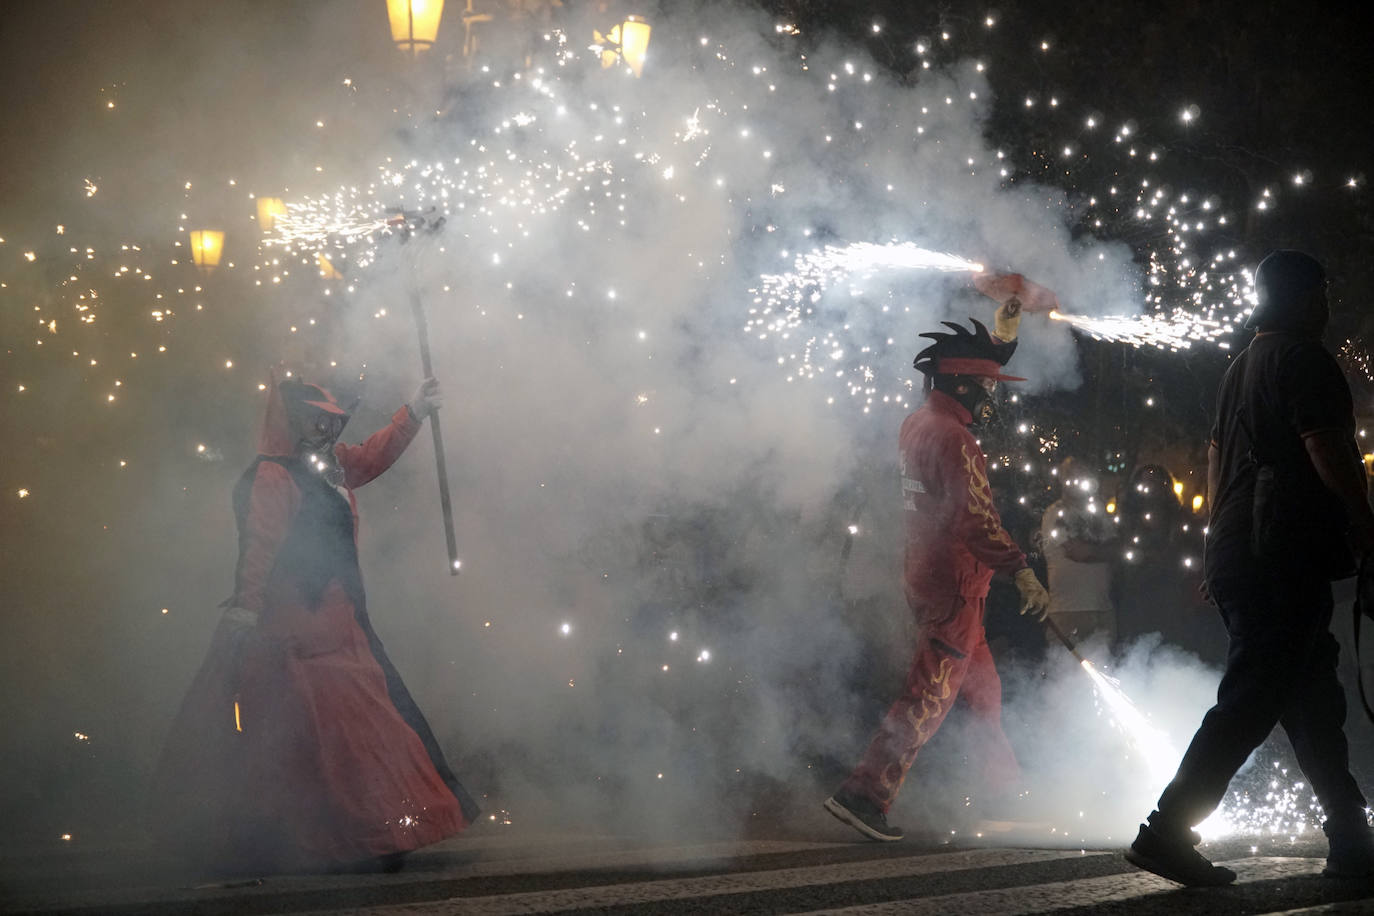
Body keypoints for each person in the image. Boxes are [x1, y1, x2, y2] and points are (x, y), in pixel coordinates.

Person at [150, 373, 479, 874]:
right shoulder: (272, 476)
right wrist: (247, 608)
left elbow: (373, 455)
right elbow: (259, 548)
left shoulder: (331, 466)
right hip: (292, 626)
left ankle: (374, 833)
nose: (325, 428)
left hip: (342, 621)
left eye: (330, 420)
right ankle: (331, 838)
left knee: (367, 727)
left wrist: (412, 413)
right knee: (318, 731)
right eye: (314, 419)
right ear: (291, 422)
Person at [1126, 250, 1374, 886]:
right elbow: (1327, 448)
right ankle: (1166, 832)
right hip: (1281, 552)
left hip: (1246, 550)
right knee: (1252, 698)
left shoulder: (1240, 366)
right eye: (1320, 294)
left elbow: (1218, 463)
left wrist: (1216, 546)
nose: (1326, 307)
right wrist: (1365, 524)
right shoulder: (1302, 358)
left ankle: (1351, 836)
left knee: (1314, 700)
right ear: (1301, 297)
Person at [824, 309, 1051, 842]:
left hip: (933, 577)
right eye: (985, 387)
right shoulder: (956, 440)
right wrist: (1022, 572)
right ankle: (863, 794)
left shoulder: (918, 422)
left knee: (984, 691)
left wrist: (1005, 336)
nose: (990, 398)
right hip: (954, 587)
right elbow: (975, 517)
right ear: (964, 386)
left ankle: (1004, 790)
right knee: (926, 698)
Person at [1040, 457, 1117, 644]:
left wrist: (1101, 551)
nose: (1078, 479)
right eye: (1072, 474)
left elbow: (1117, 548)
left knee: (1104, 670)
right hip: (1068, 611)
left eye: (1083, 473)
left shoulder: (1099, 512)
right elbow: (1079, 553)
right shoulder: (1055, 514)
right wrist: (1105, 552)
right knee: (1067, 670)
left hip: (1101, 608)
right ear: (1062, 480)